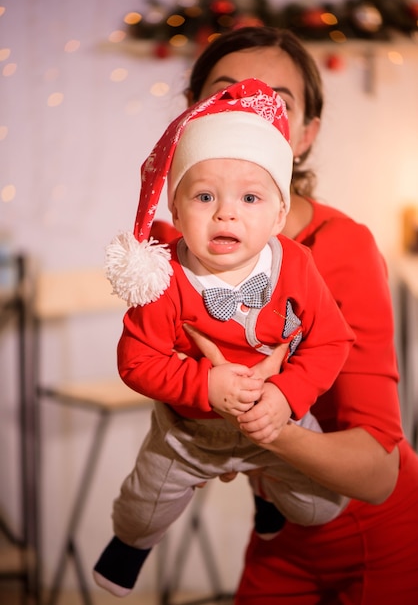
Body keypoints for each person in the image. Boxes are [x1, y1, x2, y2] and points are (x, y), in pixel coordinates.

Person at [151, 26, 418, 604]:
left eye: (276, 102)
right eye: (225, 95)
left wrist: (262, 427)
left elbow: (379, 473)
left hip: (379, 536)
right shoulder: (172, 251)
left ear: (304, 135)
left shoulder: (343, 246)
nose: (248, 111)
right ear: (191, 117)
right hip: (281, 533)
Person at [93, 78, 355, 597]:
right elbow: (136, 361)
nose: (226, 212)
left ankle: (267, 487)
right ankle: (127, 545)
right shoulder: (165, 278)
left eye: (250, 197)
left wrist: (286, 395)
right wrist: (203, 384)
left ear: (279, 214)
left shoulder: (296, 265)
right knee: (146, 505)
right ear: (176, 206)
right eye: (205, 195)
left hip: (275, 421)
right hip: (193, 431)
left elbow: (332, 341)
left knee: (323, 505)